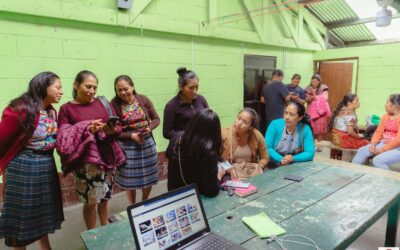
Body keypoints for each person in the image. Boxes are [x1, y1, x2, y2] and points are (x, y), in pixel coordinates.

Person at [0, 72, 64, 249]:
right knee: (22, 220)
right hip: (23, 168)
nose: (61, 92)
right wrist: (4, 168)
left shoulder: (51, 111)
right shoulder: (19, 109)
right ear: (43, 86)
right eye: (57, 87)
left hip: (46, 167)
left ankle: (46, 247)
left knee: (43, 214)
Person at [57, 70, 125, 230]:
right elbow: (63, 136)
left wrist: (112, 130)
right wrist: (87, 129)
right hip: (86, 163)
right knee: (90, 202)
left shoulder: (103, 102)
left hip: (107, 157)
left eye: (95, 87)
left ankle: (105, 229)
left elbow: (119, 126)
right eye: (88, 86)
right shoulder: (66, 109)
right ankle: (93, 234)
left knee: (105, 197)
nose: (92, 91)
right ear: (76, 85)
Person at [111, 75, 159, 204]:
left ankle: (144, 201)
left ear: (132, 86)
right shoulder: (114, 104)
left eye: (125, 89)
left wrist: (149, 128)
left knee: (149, 175)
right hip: (127, 147)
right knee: (129, 179)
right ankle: (133, 205)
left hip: (147, 143)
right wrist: (131, 136)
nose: (123, 92)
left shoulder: (143, 99)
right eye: (119, 90)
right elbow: (115, 130)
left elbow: (156, 119)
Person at [167, 109, 223, 197]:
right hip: (195, 198)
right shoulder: (209, 154)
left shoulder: (176, 139)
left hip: (173, 194)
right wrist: (219, 175)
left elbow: (168, 155)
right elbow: (211, 191)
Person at [163, 67, 209, 158]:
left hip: (200, 146)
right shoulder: (171, 106)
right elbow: (167, 132)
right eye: (191, 88)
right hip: (182, 150)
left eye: (197, 86)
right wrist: (187, 135)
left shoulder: (201, 99)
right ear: (180, 87)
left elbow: (208, 119)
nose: (195, 91)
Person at [352, 94, 400, 169]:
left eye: (387, 102)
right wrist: (373, 144)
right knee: (361, 151)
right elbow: (378, 132)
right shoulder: (385, 116)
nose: (385, 105)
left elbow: (398, 140)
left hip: (397, 148)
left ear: (395, 106)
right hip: (384, 143)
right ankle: (352, 172)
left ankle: (385, 180)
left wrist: (382, 150)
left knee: (378, 161)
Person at [221, 108, 269, 177]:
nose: (239, 123)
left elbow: (265, 157)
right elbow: (217, 158)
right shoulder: (224, 134)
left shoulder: (256, 135)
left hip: (251, 174)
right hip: (230, 174)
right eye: (238, 118)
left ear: (250, 127)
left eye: (245, 122)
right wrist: (228, 170)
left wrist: (258, 167)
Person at [265, 101, 315, 167]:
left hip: (294, 163)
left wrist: (293, 158)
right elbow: (267, 147)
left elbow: (310, 153)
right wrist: (281, 159)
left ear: (300, 118)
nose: (287, 117)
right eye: (286, 113)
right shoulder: (275, 124)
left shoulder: (305, 129)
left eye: (292, 114)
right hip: (274, 162)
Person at [305, 74, 330, 152]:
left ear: (319, 82)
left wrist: (315, 97)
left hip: (320, 113)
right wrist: (309, 98)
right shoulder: (308, 88)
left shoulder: (323, 88)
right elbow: (306, 99)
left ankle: (319, 146)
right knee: (310, 128)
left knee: (319, 130)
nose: (314, 83)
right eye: (313, 82)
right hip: (310, 111)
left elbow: (325, 98)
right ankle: (311, 145)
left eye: (316, 82)